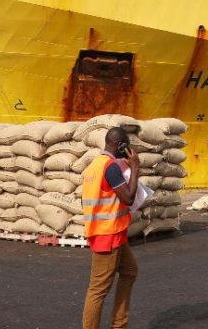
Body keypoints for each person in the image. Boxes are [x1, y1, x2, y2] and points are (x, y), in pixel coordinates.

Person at [82, 127, 140, 329]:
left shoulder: (94, 166)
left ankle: (119, 324)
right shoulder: (110, 168)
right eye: (127, 146)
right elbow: (129, 198)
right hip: (107, 235)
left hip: (112, 233)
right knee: (98, 290)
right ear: (120, 145)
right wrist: (134, 169)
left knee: (130, 271)